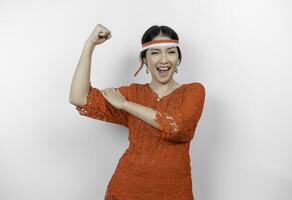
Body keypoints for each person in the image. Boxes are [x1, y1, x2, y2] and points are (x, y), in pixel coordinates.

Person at [69, 24, 206, 200]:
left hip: (174, 192)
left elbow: (178, 128)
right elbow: (79, 98)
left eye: (171, 52)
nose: (164, 59)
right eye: (155, 53)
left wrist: (126, 105)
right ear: (145, 60)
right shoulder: (133, 93)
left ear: (178, 59)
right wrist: (89, 45)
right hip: (127, 190)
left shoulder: (193, 91)